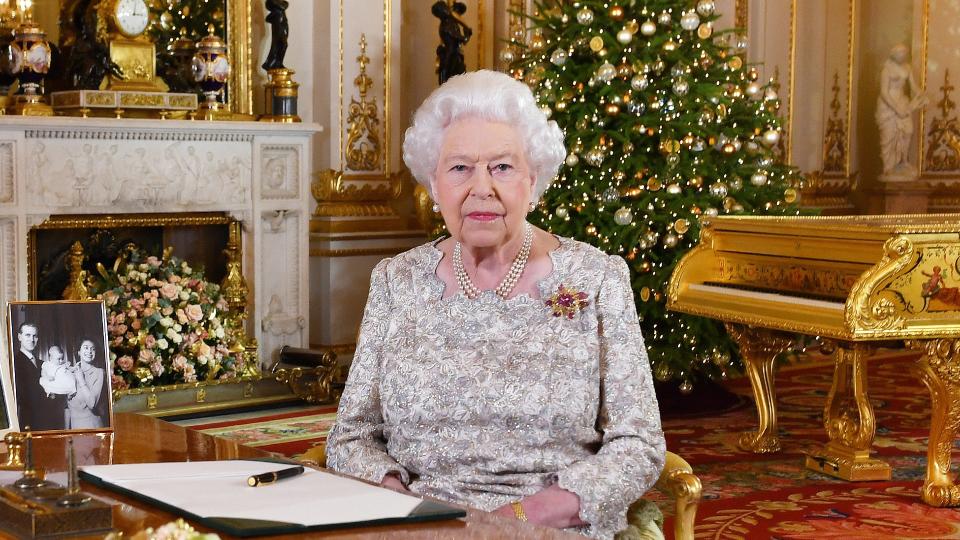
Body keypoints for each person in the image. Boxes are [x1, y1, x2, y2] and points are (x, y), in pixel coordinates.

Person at [326, 70, 666, 539]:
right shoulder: (395, 280)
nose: (481, 188)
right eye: (460, 167)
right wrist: (402, 506)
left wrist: (523, 518)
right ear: (433, 182)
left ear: (533, 177)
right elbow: (351, 436)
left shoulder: (597, 277)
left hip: (550, 526)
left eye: (502, 167)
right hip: (419, 523)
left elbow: (639, 444)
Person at [876, 43, 927, 176]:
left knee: (908, 131)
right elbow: (883, 92)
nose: (902, 55)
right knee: (889, 136)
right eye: (899, 53)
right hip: (888, 106)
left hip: (902, 102)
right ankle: (888, 167)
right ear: (893, 54)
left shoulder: (907, 68)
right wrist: (896, 108)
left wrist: (921, 95)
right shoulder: (886, 69)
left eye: (904, 53)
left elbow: (913, 87)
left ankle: (903, 161)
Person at [12, 321, 67, 431]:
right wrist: (52, 394)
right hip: (30, 423)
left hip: (50, 422)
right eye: (27, 335)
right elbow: (24, 395)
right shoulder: (15, 363)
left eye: (35, 336)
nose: (32, 340)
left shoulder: (43, 363)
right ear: (19, 337)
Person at [65, 338, 106, 429]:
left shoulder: (99, 373)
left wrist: (81, 380)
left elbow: (91, 403)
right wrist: (66, 432)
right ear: (79, 351)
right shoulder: (69, 372)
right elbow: (67, 407)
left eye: (93, 349)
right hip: (74, 427)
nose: (90, 351)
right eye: (86, 348)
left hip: (92, 426)